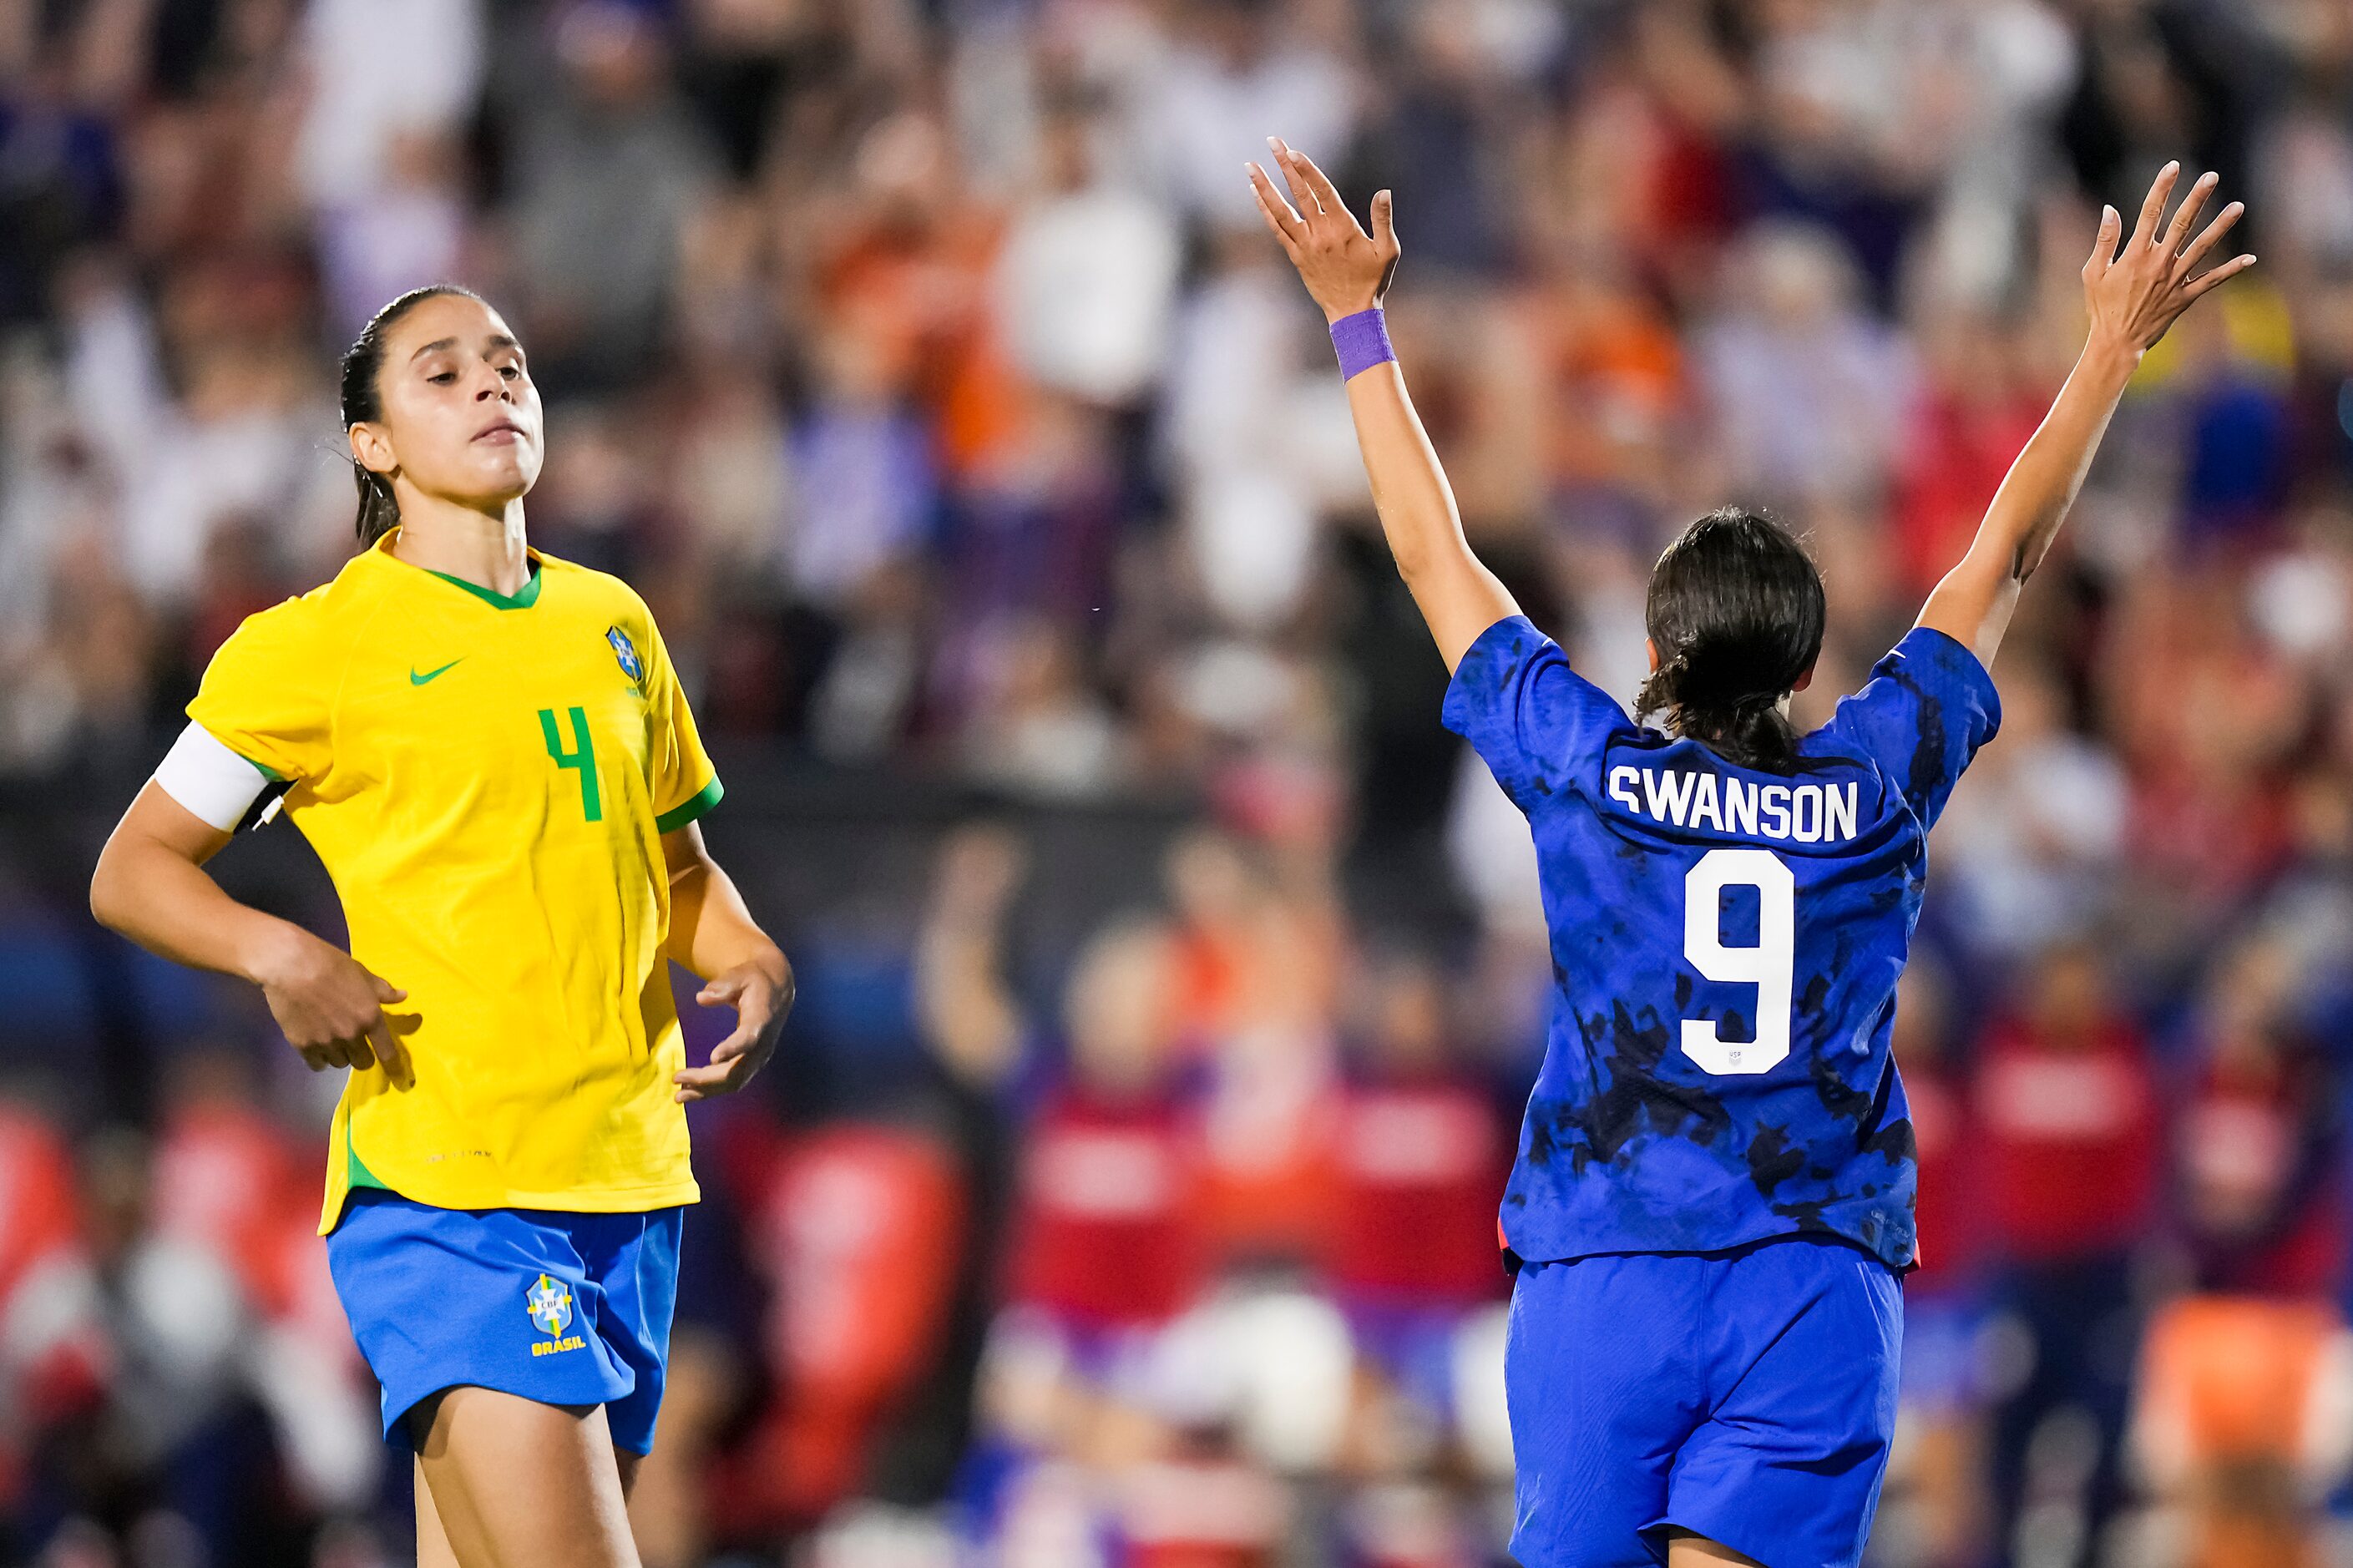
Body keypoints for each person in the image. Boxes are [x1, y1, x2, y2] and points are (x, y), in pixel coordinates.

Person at [1246, 141, 2252, 1568]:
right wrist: (2103, 351)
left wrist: (1357, 321)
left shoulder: (1589, 776)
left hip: (1607, 1268)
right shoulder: (1873, 783)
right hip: (1809, 1281)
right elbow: (2005, 555)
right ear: (1800, 664)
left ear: (1654, 652)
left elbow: (1432, 559)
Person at [86, 285, 793, 1567]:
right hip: (452, 1193)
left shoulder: (615, 625)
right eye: (443, 372)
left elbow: (677, 868)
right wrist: (280, 952)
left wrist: (744, 952)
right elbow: (133, 869)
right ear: (373, 443)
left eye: (509, 364)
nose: (491, 386)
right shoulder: (311, 648)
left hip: (631, 1181)